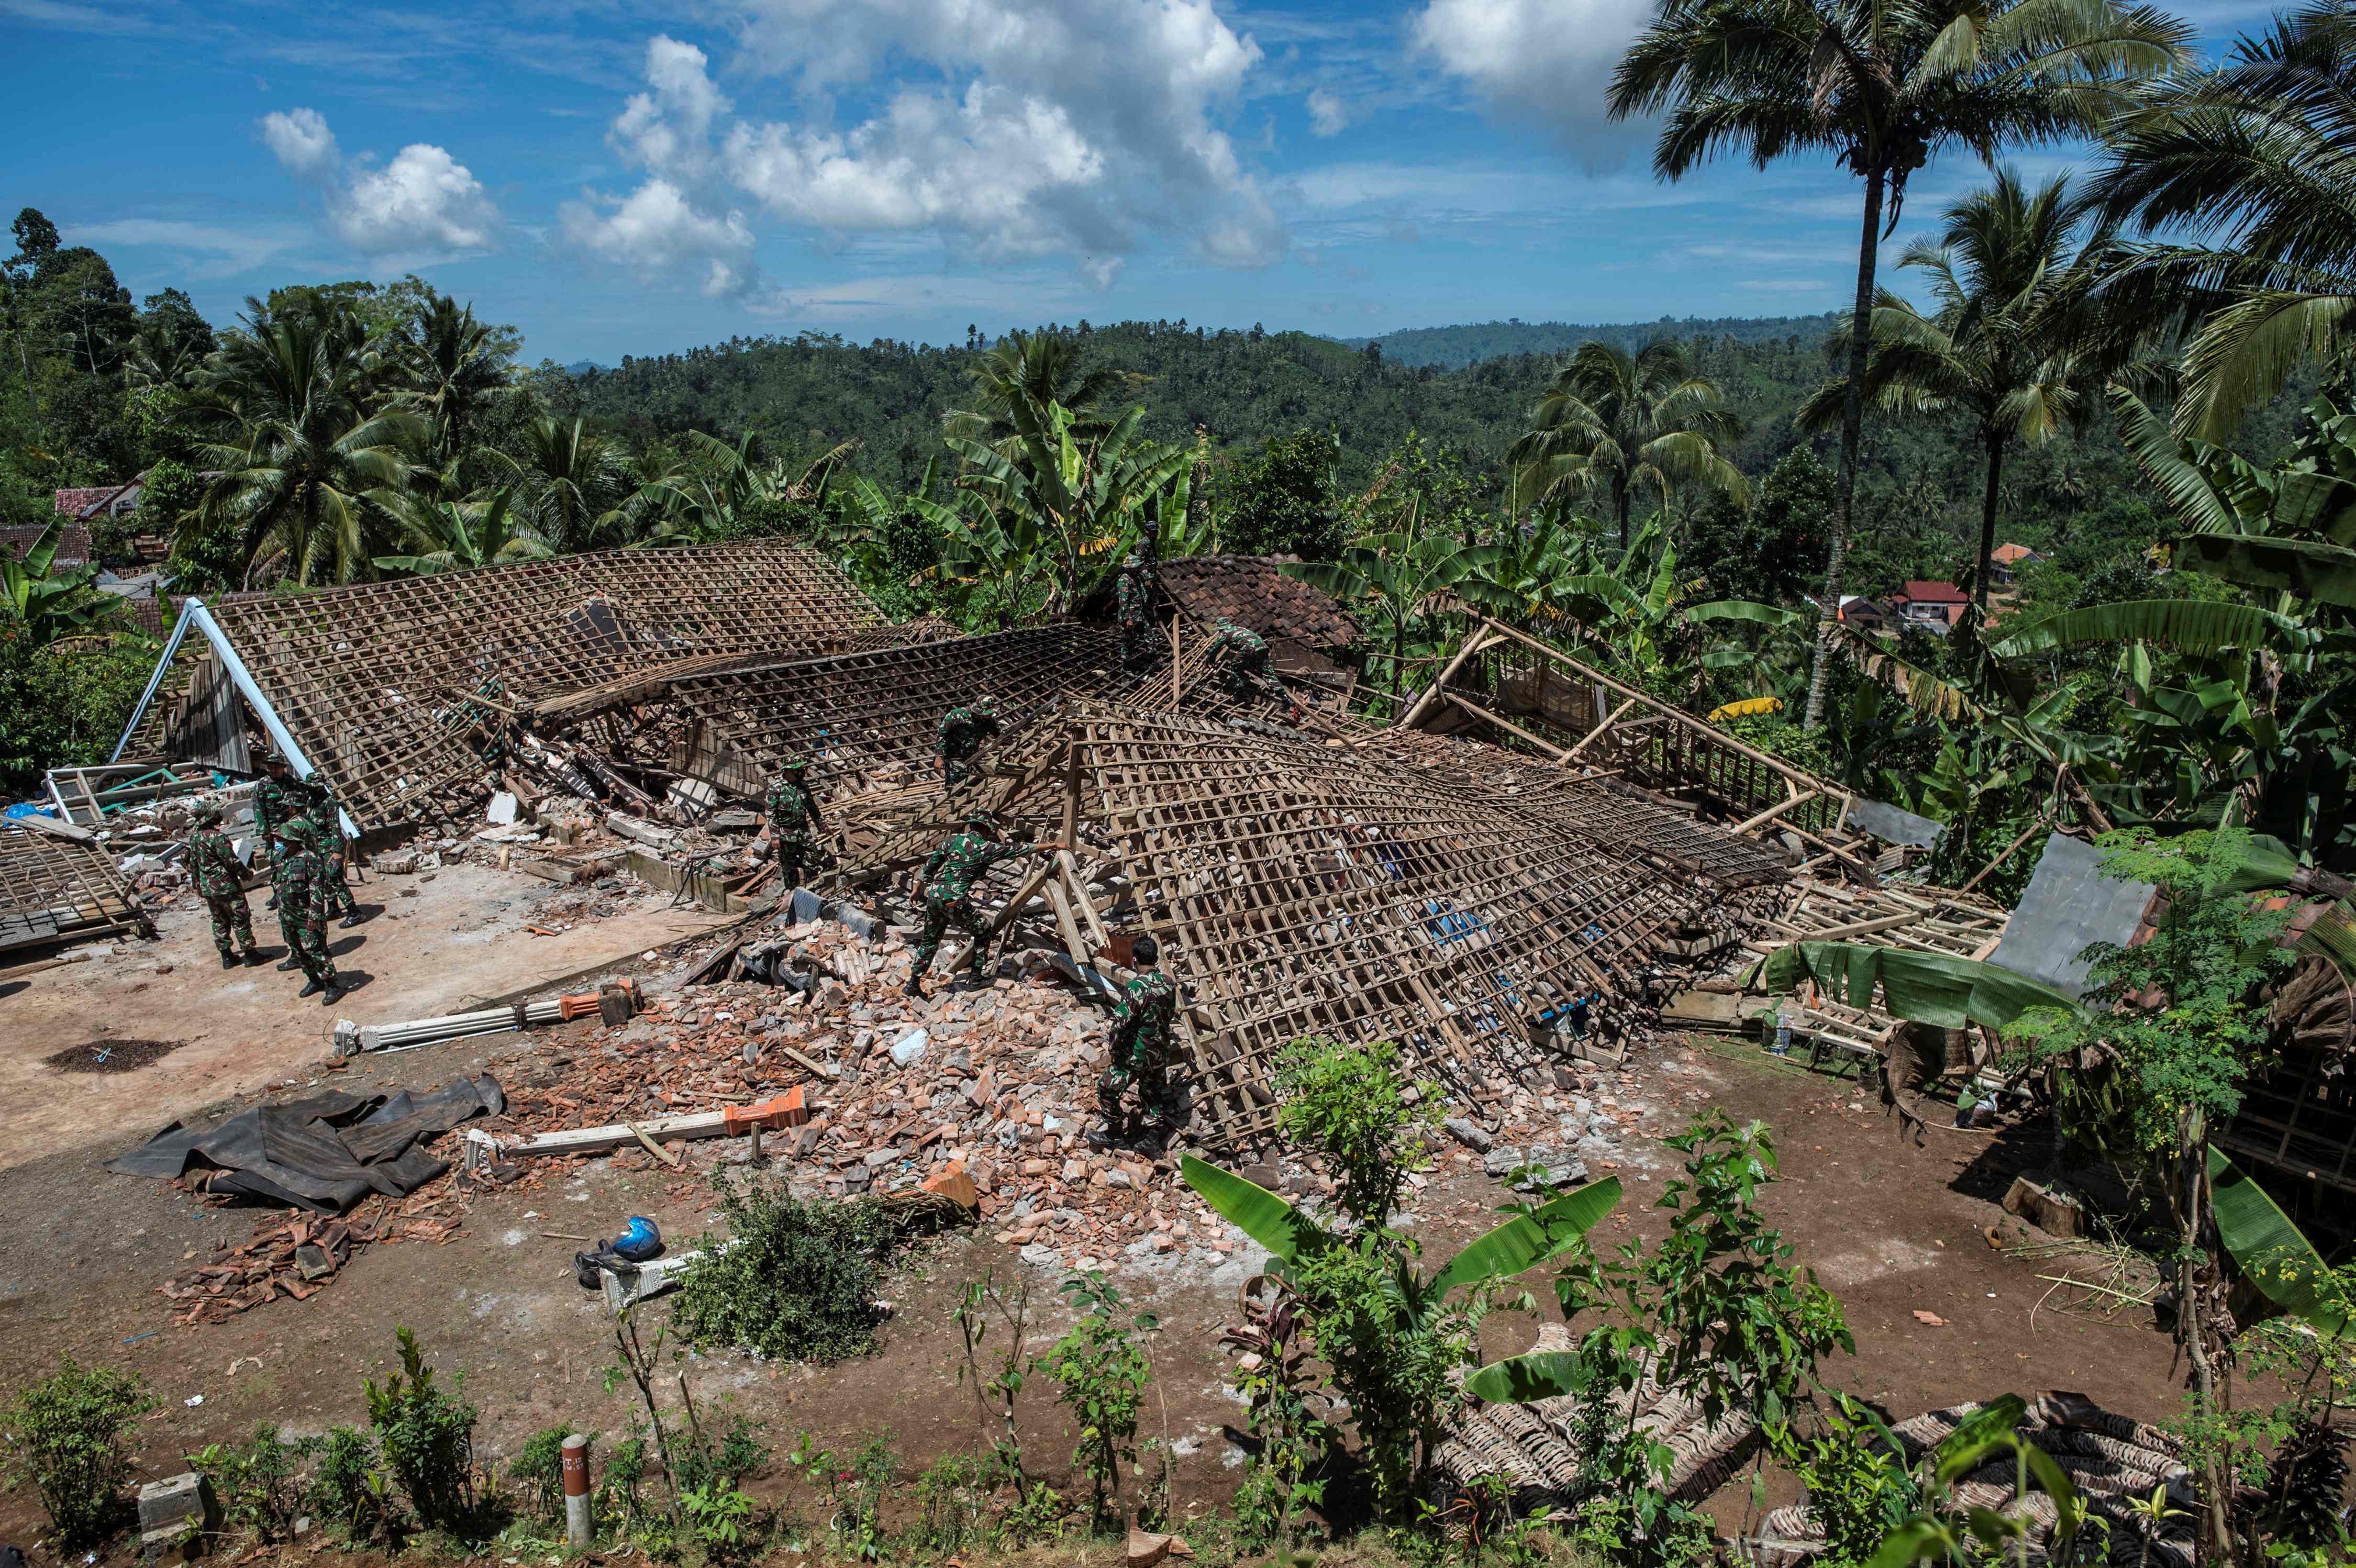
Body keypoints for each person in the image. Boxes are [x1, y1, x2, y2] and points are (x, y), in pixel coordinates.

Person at [907, 809, 1059, 997]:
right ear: (987, 830)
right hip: (955, 900)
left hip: (935, 897)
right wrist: (1053, 844)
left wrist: (916, 888)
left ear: (971, 826)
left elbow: (930, 866)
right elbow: (1020, 849)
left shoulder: (951, 840)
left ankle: (913, 983)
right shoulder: (986, 847)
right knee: (984, 930)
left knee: (930, 940)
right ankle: (976, 979)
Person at [1096, 935, 1182, 1144]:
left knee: (1107, 1088)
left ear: (1134, 960)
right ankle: (1151, 1142)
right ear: (1156, 959)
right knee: (1152, 1093)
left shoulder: (1137, 987)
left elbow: (1120, 1024)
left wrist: (1115, 1050)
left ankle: (1115, 1134)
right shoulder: (1169, 983)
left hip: (1138, 1053)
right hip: (1160, 1050)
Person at [269, 815, 343, 1002]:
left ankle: (332, 985)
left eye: (282, 839)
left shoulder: (311, 859)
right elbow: (278, 886)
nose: (278, 842)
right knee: (298, 951)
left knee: (316, 951)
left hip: (307, 917)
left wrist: (314, 917)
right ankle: (313, 980)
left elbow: (317, 891)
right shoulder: (280, 859)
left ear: (293, 841)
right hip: (287, 916)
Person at [186, 800, 261, 968]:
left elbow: (193, 864)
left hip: (208, 887)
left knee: (219, 920)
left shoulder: (194, 837)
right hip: (226, 885)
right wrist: (246, 874)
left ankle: (227, 957)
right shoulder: (217, 837)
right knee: (240, 917)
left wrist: (198, 885)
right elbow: (231, 861)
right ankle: (250, 954)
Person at [303, 772, 363, 926]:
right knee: (323, 880)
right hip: (316, 849)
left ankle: (354, 912)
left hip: (329, 848)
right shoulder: (311, 801)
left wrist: (337, 852)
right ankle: (333, 908)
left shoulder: (329, 803)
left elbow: (335, 829)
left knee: (336, 880)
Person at [763, 757, 822, 889]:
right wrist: (775, 837)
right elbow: (770, 813)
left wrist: (822, 825)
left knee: (813, 856)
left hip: (803, 830)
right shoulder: (776, 788)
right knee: (788, 865)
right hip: (786, 832)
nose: (801, 772)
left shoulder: (803, 785)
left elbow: (812, 808)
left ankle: (810, 885)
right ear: (788, 771)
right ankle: (792, 891)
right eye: (797, 770)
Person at [1208, 619, 1290, 707]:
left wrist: (1210, 662)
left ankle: (1242, 693)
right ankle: (1285, 697)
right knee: (1268, 674)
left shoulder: (1225, 633)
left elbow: (1214, 649)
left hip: (1249, 648)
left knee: (1235, 666)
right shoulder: (1240, 628)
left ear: (1221, 628)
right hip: (1262, 647)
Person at [252, 754, 296, 910]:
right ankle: (277, 894)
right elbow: (258, 809)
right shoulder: (262, 785)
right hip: (274, 831)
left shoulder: (291, 782)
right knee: (276, 862)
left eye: (276, 766)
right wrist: (264, 830)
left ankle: (294, 892)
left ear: (283, 767)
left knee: (295, 861)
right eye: (270, 766)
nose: (273, 769)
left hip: (292, 830)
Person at [936, 699, 1002, 787]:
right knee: (957, 780)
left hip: (973, 755)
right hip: (954, 755)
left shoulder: (989, 721)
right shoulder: (957, 715)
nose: (990, 715)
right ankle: (954, 799)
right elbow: (942, 734)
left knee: (977, 781)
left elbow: (1000, 735)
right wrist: (939, 757)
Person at [1116, 551, 1157, 672]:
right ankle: (1127, 667)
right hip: (1129, 618)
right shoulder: (1124, 581)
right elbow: (1124, 603)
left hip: (1139, 615)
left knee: (1150, 635)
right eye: (1137, 567)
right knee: (1129, 642)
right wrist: (1128, 619)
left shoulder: (1136, 578)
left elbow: (1144, 592)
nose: (1139, 568)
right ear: (1131, 568)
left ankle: (1151, 661)